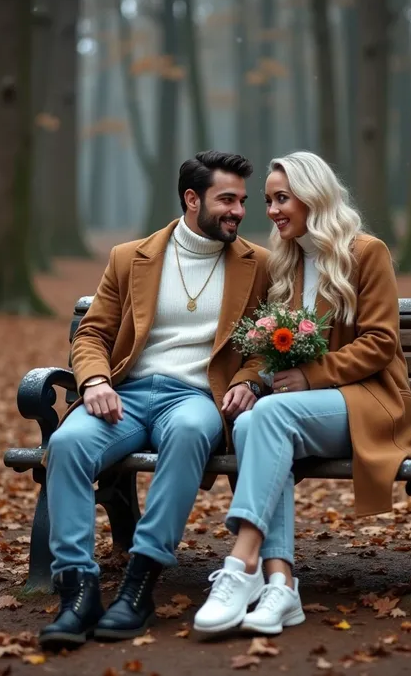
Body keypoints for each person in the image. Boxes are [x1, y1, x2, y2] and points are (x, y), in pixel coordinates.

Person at [39, 150, 269, 650]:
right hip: (125, 395)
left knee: (189, 433)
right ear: (192, 199)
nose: (238, 210)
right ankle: (77, 591)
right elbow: (92, 334)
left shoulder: (258, 265)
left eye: (242, 201)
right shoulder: (131, 257)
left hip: (196, 399)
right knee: (69, 443)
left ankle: (140, 582)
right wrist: (96, 381)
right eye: (226, 199)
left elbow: (265, 345)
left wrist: (249, 380)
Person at [194, 151, 411, 636]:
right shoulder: (286, 262)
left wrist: (312, 375)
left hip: (370, 402)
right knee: (254, 420)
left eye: (282, 198)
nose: (272, 210)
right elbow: (271, 344)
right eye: (270, 201)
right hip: (305, 411)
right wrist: (255, 379)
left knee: (268, 418)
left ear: (312, 197)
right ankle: (281, 585)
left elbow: (381, 342)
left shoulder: (365, 251)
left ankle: (240, 563)